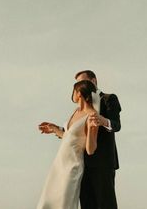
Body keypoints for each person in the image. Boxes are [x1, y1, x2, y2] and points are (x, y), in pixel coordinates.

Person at [36, 80, 98, 209]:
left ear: (79, 93)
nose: (72, 94)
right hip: (59, 165)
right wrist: (55, 129)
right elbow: (70, 138)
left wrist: (92, 130)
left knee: (64, 204)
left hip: (72, 167)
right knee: (46, 202)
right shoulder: (76, 111)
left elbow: (90, 150)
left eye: (74, 91)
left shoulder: (92, 115)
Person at [75, 70, 121, 209]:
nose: (80, 86)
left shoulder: (109, 98)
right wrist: (57, 129)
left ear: (94, 81)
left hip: (103, 162)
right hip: (83, 165)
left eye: (83, 82)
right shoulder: (80, 107)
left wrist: (102, 120)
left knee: (106, 204)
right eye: (77, 84)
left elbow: (116, 125)